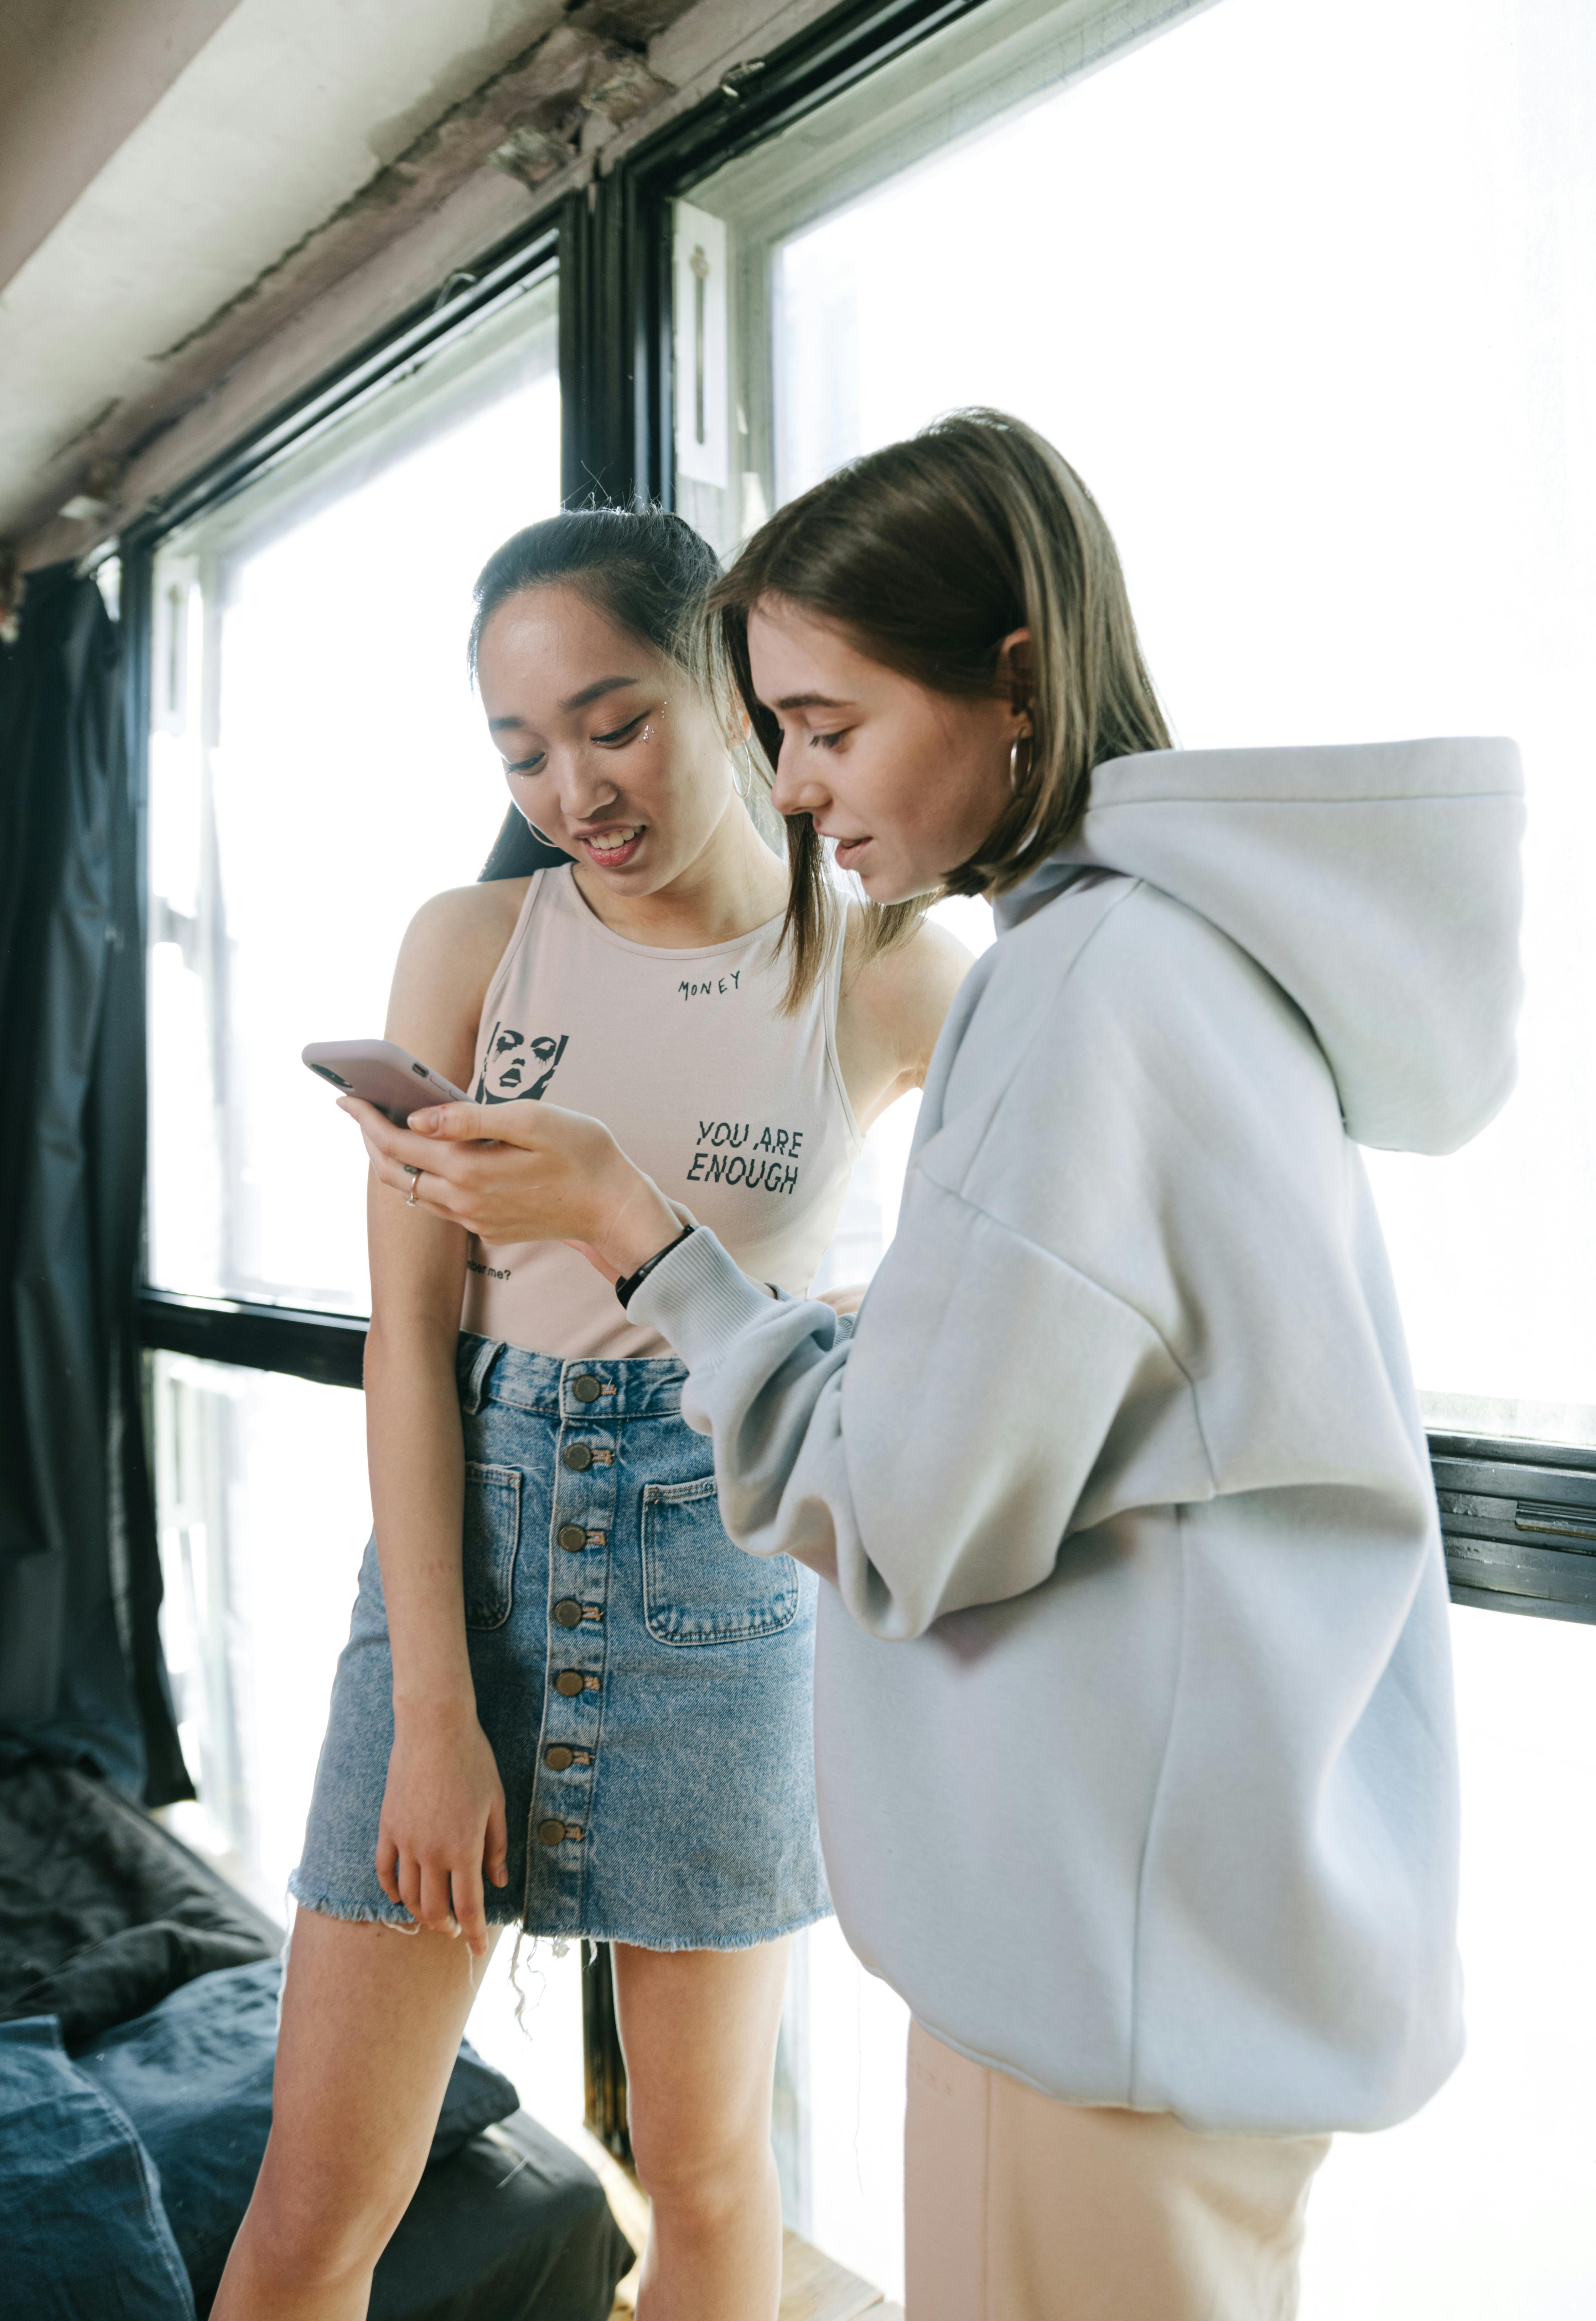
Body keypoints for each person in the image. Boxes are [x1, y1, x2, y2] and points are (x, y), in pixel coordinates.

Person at [353, 412, 1526, 2320]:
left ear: (1016, 682)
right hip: (1218, 1909)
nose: (798, 786)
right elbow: (1087, 1393)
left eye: (823, 723)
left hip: (1103, 1947)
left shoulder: (1072, 992)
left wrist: (639, 1230)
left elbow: (907, 1512)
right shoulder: (1193, 963)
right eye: (782, 728)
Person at [213, 506, 968, 2321]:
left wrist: (863, 1315)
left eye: (613, 722)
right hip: (458, 1558)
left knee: (705, 2183)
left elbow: (1020, 1263)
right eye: (520, 747)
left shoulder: (883, 967)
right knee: (315, 2215)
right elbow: (407, 1346)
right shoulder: (474, 946)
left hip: (725, 1585)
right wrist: (432, 1714)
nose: (572, 785)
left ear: (729, 688)